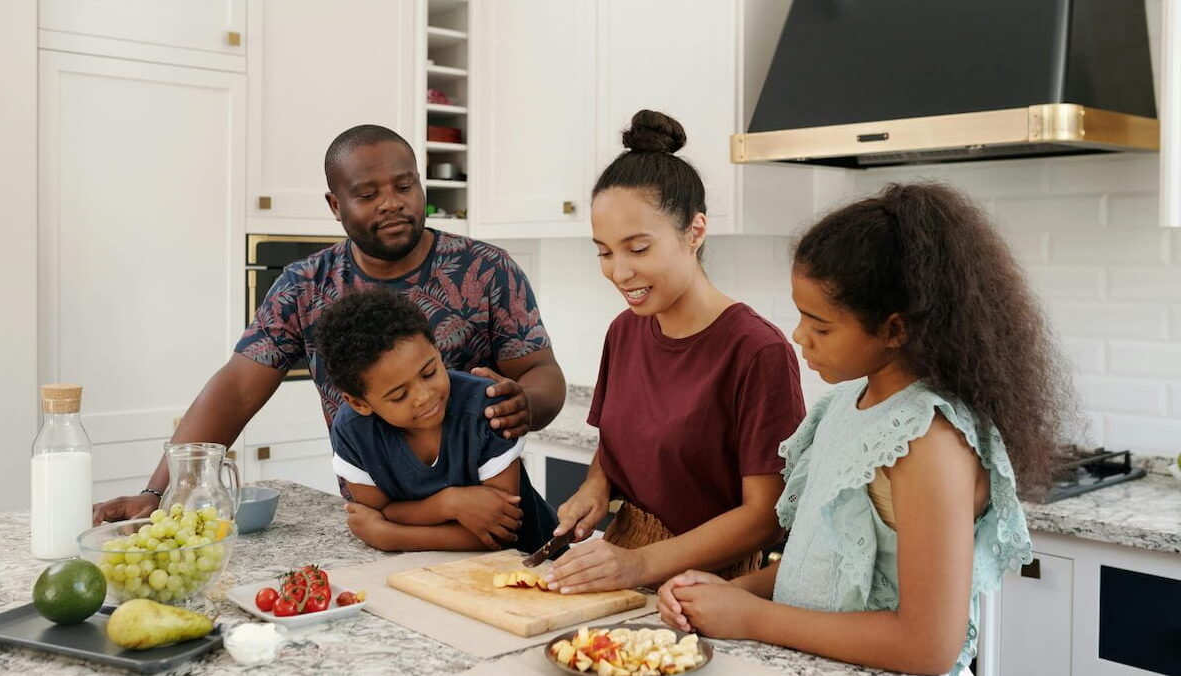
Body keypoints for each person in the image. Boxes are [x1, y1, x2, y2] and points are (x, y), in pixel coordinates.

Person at [657, 183, 1076, 676]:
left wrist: (752, 617)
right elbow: (823, 567)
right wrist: (724, 593)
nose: (798, 336)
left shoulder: (929, 441)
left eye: (822, 326)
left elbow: (927, 647)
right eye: (800, 316)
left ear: (896, 330)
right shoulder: (845, 405)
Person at [93, 124, 566, 527]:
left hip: (488, 519)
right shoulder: (305, 286)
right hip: (383, 523)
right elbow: (236, 388)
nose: (391, 204)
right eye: (367, 194)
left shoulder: (485, 269)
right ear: (335, 205)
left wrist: (525, 402)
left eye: (404, 187)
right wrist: (158, 495)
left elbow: (542, 374)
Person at [543, 110, 806, 595]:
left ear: (695, 231)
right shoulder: (624, 331)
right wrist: (596, 486)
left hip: (712, 583)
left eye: (638, 248)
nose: (619, 273)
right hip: (624, 558)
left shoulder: (757, 351)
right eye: (604, 252)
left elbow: (765, 517)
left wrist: (639, 565)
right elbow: (617, 441)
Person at [316, 287, 557, 552]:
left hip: (532, 564)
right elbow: (377, 510)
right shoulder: (354, 431)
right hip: (431, 572)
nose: (424, 396)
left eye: (429, 372)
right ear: (359, 403)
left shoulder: (487, 410)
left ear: (437, 350)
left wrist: (390, 536)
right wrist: (450, 503)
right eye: (399, 395)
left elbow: (500, 535)